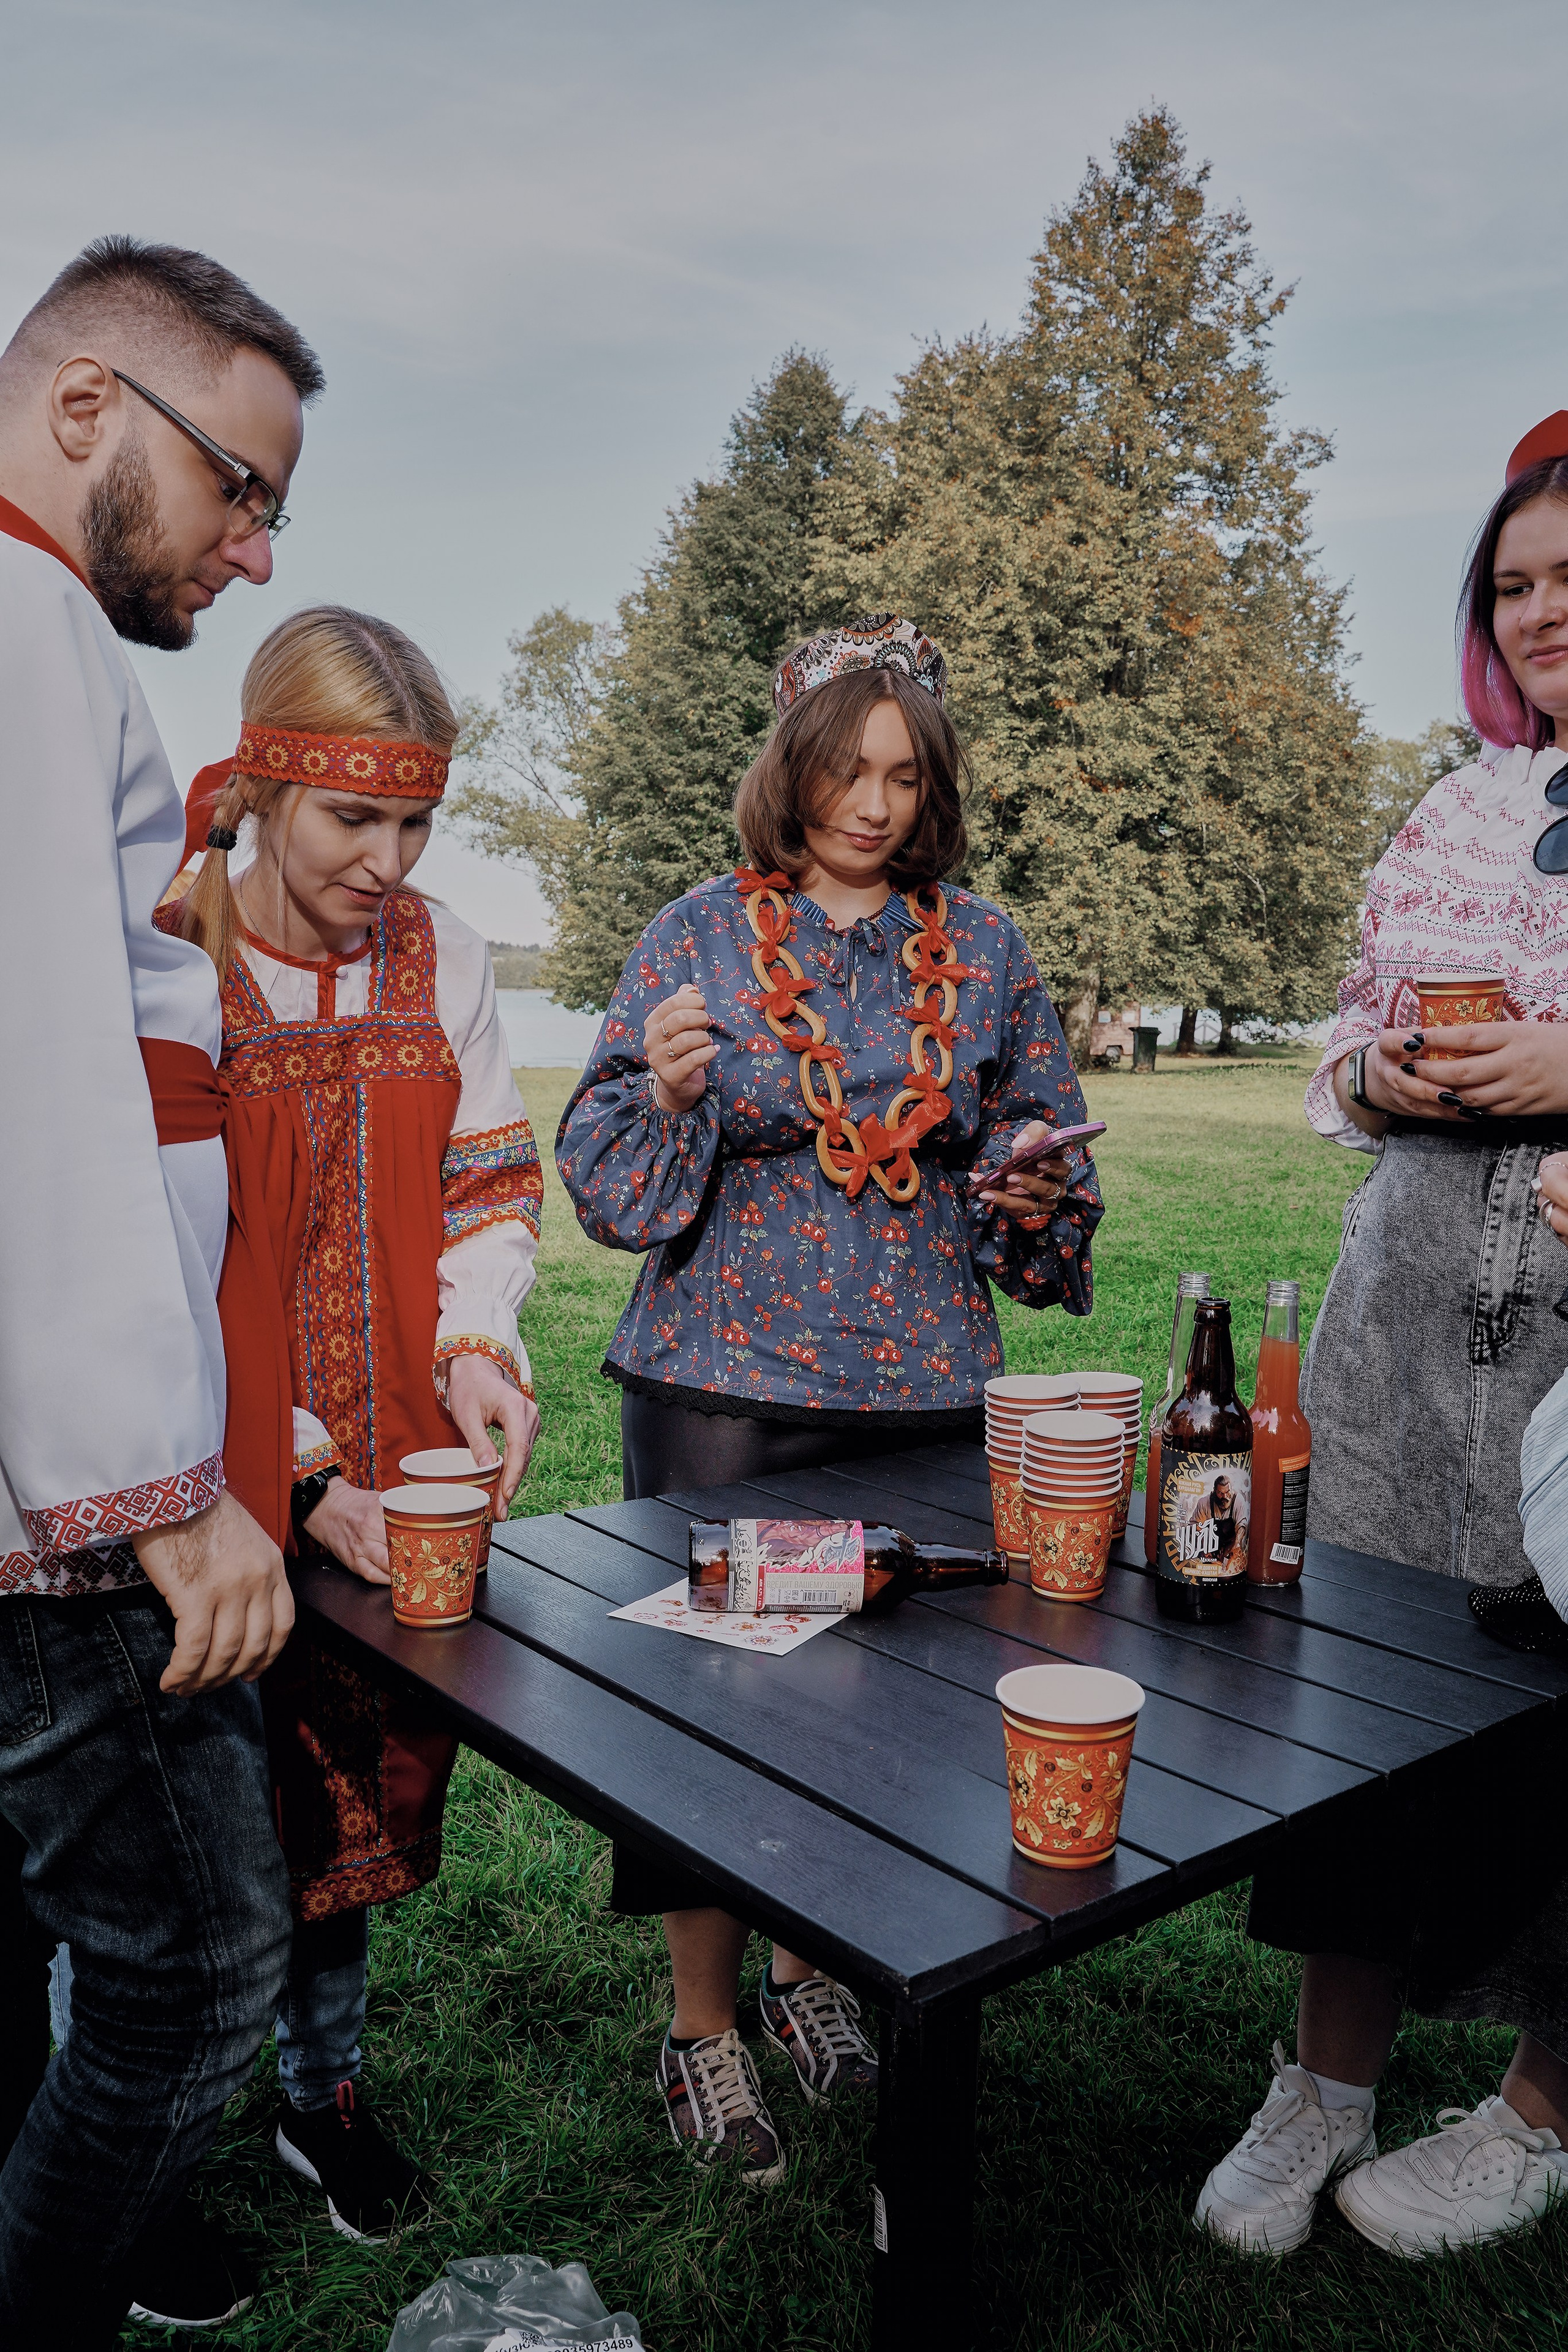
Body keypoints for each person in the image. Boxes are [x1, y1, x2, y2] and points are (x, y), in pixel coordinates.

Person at [557, 614, 1102, 2185]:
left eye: (905, 773)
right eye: (848, 769)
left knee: (882, 1720)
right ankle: (703, 2029)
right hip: (722, 1385)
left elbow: (1048, 1169)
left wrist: (1020, 1198)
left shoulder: (984, 947)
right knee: (714, 1718)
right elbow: (603, 1181)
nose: (874, 803)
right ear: (791, 768)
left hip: (927, 1385)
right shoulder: (696, 933)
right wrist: (661, 1091)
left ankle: (812, 1984)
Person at [1196, 413, 1568, 2263]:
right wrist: (1390, 1072)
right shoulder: (1459, 803)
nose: (1541, 613)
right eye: (1513, 586)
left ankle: (1538, 2108)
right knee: (1353, 1660)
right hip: (1415, 1270)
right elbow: (1345, 1033)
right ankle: (1321, 2081)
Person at [0, 238, 319, 2346]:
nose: (258, 544)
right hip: (69, 1520)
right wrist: (149, 1482)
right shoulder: (26, 624)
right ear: (91, 407)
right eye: (242, 485)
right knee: (201, 1987)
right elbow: (40, 1067)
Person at [160, 605, 543, 2247]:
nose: (389, 860)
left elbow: (487, 1180)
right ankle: (149, 2151)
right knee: (177, 1843)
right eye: (353, 819)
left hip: (400, 1466)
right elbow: (152, 1264)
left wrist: (474, 1340)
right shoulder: (166, 959)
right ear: (259, 786)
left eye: (416, 822)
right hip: (192, 1477)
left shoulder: (442, 957)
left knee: (346, 1797)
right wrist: (296, 1471)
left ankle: (321, 2099)